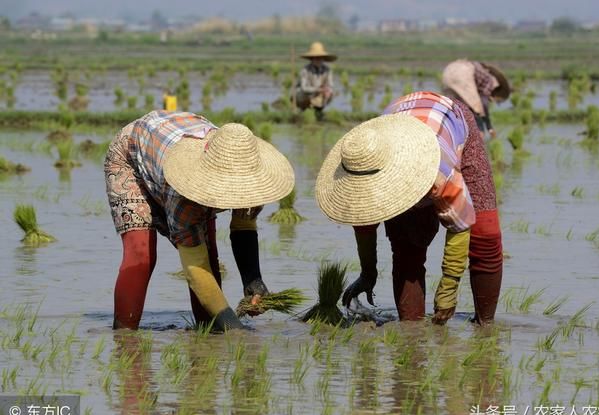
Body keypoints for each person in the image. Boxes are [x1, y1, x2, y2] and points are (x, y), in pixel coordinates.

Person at [315, 91, 502, 325]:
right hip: (397, 124)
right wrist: (367, 273)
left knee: (485, 235)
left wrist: (449, 284)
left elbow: (460, 223)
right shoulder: (361, 170)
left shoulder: (438, 172)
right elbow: (364, 225)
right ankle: (412, 337)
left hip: (450, 121)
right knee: (407, 247)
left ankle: (486, 330)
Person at [104, 110, 295, 331]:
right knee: (142, 255)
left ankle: (208, 330)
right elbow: (195, 268)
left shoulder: (251, 176)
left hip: (174, 136)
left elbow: (244, 226)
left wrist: (253, 280)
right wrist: (235, 328)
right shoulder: (182, 193)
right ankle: (125, 337)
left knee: (210, 253)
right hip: (131, 154)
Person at [442, 60, 510, 139]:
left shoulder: (481, 73)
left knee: (455, 110)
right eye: (497, 100)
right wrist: (489, 128)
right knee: (476, 109)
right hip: (462, 74)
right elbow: (483, 105)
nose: (493, 101)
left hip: (448, 72)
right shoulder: (490, 81)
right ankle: (478, 139)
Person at [294, 41, 336, 120]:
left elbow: (331, 85)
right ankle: (304, 110)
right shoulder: (305, 70)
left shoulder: (327, 70)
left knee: (331, 93)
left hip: (320, 94)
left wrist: (327, 90)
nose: (318, 59)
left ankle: (319, 110)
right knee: (302, 93)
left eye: (320, 57)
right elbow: (304, 88)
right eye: (316, 57)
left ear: (323, 58)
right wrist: (318, 90)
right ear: (312, 58)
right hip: (306, 95)